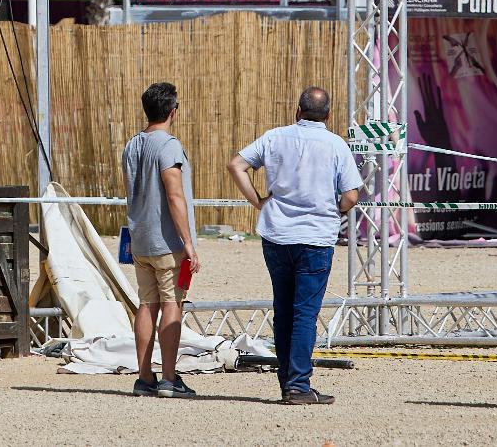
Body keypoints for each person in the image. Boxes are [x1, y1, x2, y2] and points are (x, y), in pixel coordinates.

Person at [226, 86, 362, 405]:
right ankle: (299, 386)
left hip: (276, 234)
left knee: (283, 310)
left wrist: (258, 202)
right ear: (328, 115)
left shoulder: (275, 137)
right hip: (315, 236)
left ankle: (288, 381)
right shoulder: (335, 145)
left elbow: (236, 165)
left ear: (297, 110)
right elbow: (352, 195)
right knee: (304, 313)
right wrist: (336, 209)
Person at [123, 81, 200, 398]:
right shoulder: (168, 146)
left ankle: (144, 376)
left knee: (146, 304)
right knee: (172, 304)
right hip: (166, 241)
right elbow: (174, 194)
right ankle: (169, 377)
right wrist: (188, 242)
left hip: (139, 237)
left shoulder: (132, 144)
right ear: (172, 110)